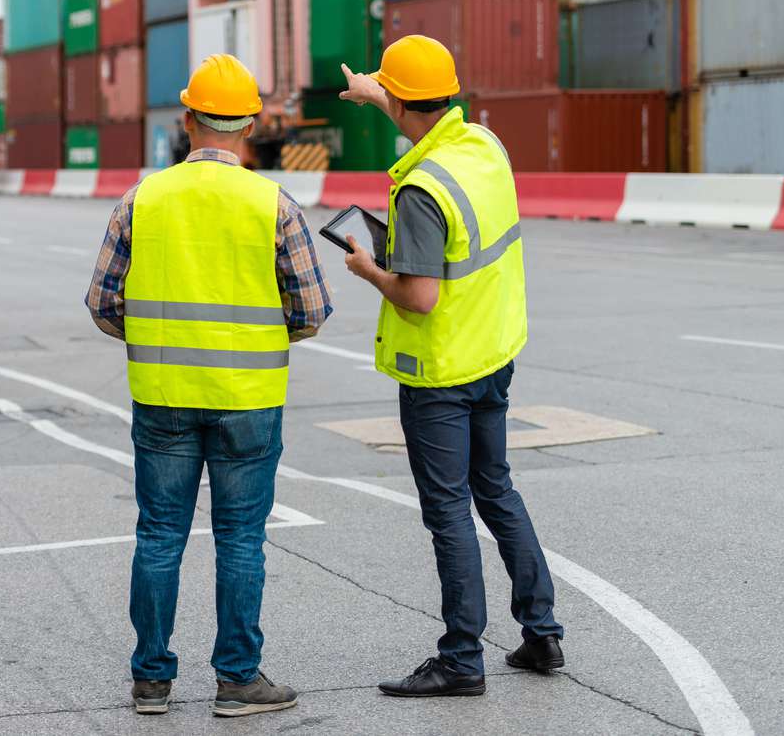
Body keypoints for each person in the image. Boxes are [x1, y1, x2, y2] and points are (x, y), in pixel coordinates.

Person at [85, 54, 332, 718]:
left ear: (188, 119)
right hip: (248, 401)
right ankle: (237, 679)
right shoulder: (273, 203)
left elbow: (103, 301)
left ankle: (152, 680)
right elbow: (310, 309)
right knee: (241, 539)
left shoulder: (144, 198)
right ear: (250, 125)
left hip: (163, 394)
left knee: (159, 534)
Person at [338, 36, 565, 698]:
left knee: (448, 512)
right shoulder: (484, 147)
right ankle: (542, 630)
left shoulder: (420, 189)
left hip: (442, 371)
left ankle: (462, 657)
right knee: (496, 490)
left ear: (403, 101)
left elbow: (419, 295)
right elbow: (422, 120)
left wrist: (368, 267)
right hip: (495, 352)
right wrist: (379, 93)